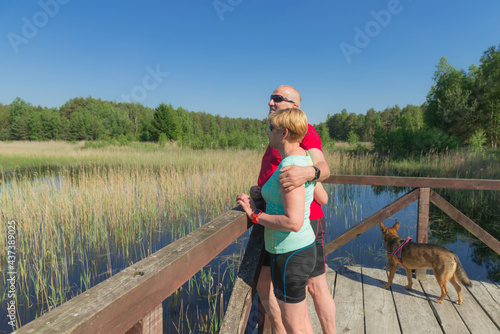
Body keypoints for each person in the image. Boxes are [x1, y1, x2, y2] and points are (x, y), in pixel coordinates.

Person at [250, 85, 336, 334]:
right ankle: (280, 329)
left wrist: (309, 172)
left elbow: (323, 168)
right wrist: (262, 190)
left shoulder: (303, 132)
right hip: (274, 222)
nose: (270, 102)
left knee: (315, 286)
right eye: (270, 98)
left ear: (294, 106)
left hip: (299, 222)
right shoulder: (277, 135)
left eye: (277, 99)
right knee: (265, 283)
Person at [237, 108, 317, 333]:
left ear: (284, 133)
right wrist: (263, 193)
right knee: (299, 320)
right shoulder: (303, 159)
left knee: (293, 325)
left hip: (290, 253)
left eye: (271, 129)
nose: (268, 133)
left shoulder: (289, 168)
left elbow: (293, 221)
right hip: (299, 249)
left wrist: (255, 215)